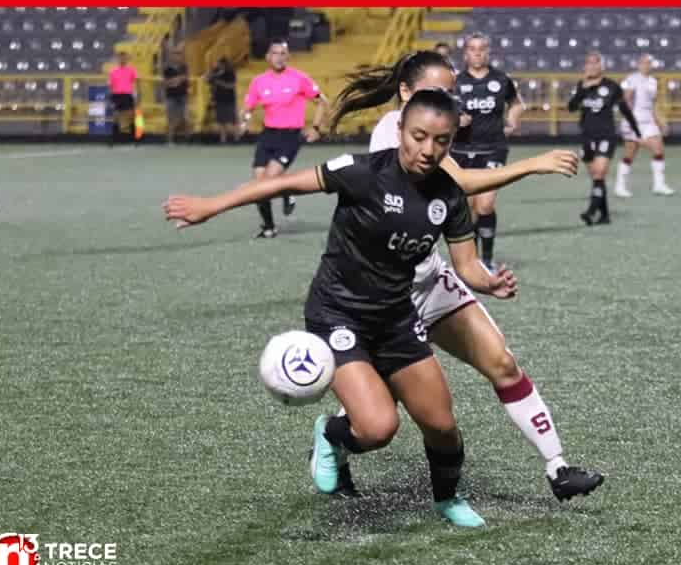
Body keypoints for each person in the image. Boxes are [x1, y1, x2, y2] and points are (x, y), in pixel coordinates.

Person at [165, 90, 516, 527]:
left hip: (396, 320)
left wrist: (490, 282)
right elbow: (284, 182)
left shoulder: (449, 197)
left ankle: (446, 499)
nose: (428, 150)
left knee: (442, 426)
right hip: (338, 314)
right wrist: (211, 206)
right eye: (418, 136)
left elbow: (467, 266)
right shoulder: (363, 172)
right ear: (401, 130)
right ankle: (331, 436)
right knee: (377, 429)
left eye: (440, 141)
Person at [328, 50, 604, 502]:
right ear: (403, 95)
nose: (444, 99)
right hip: (386, 296)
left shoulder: (434, 133)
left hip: (431, 280)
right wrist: (530, 165)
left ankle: (558, 468)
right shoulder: (390, 132)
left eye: (449, 93)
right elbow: (458, 184)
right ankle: (332, 448)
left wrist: (483, 277)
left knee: (502, 363)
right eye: (433, 91)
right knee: (377, 411)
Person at [242, 39, 328, 238]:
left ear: (288, 57)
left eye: (283, 54)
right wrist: (244, 120)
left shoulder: (299, 78)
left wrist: (315, 127)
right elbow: (248, 107)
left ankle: (284, 191)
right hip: (268, 135)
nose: (279, 57)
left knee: (268, 181)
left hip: (289, 137)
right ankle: (269, 226)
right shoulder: (258, 81)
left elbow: (321, 102)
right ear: (267, 57)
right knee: (258, 184)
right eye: (275, 53)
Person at [453, 33, 525, 271]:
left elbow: (516, 103)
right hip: (462, 150)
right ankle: (470, 261)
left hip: (493, 148)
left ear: (488, 52)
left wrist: (513, 120)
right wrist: (457, 119)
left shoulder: (501, 79)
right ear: (465, 53)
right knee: (469, 211)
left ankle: (487, 259)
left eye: (481, 49)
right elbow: (444, 109)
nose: (477, 53)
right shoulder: (455, 82)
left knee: (484, 205)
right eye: (472, 49)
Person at [568, 51, 642, 226]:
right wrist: (582, 89)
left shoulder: (612, 86)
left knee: (600, 172)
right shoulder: (582, 86)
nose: (591, 66)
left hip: (606, 136)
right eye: (588, 63)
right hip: (586, 136)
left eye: (595, 63)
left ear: (602, 66)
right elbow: (571, 107)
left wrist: (636, 130)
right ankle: (605, 215)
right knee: (596, 177)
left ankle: (591, 210)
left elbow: (624, 109)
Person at [615, 53, 675, 197]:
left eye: (649, 63)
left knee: (658, 149)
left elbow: (652, 104)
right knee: (630, 154)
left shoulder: (653, 82)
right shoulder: (632, 79)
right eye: (644, 63)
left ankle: (659, 185)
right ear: (639, 64)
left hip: (648, 122)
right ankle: (620, 186)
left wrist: (661, 121)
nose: (646, 65)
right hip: (634, 122)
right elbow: (627, 100)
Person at [107, 52, 139, 147]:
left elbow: (136, 83)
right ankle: (113, 140)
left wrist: (137, 96)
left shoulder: (131, 70)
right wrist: (110, 98)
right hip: (117, 95)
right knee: (116, 117)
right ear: (118, 59)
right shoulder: (113, 71)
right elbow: (110, 86)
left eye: (124, 58)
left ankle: (135, 139)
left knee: (131, 117)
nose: (122, 60)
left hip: (127, 95)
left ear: (126, 59)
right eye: (121, 58)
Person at [207, 57, 239, 143]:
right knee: (221, 120)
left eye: (220, 64)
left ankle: (236, 138)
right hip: (219, 99)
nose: (219, 65)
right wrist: (210, 73)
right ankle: (223, 139)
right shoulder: (216, 72)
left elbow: (231, 85)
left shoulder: (230, 72)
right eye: (218, 64)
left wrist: (219, 83)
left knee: (233, 120)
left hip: (230, 99)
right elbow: (207, 80)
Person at [162, 48, 189, 145]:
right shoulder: (167, 69)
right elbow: (165, 83)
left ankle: (187, 141)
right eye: (175, 55)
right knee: (171, 119)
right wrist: (176, 80)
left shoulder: (184, 67)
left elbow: (184, 78)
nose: (177, 57)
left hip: (183, 96)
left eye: (179, 55)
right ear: (172, 57)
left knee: (185, 118)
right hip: (171, 97)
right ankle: (170, 141)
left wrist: (175, 81)